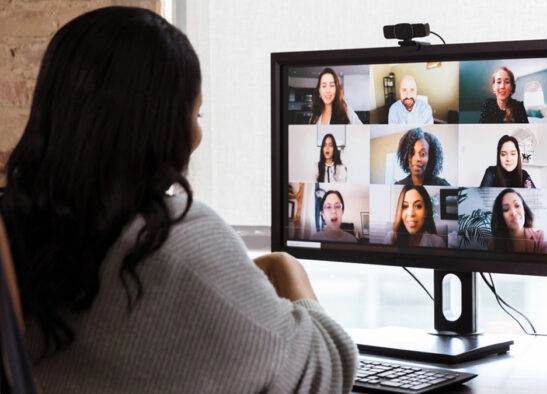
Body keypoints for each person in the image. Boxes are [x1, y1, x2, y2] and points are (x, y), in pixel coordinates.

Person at [0, 7, 356, 393]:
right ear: (161, 123)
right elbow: (327, 372)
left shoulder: (19, 232)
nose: (198, 135)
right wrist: (289, 270)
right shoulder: (175, 241)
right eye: (196, 112)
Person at [489, 189, 547, 253]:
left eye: (517, 205)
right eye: (506, 209)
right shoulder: (494, 242)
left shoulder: (540, 237)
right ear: (500, 216)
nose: (513, 212)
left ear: (524, 210)